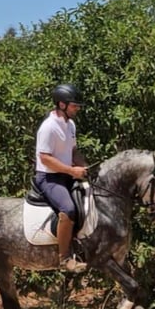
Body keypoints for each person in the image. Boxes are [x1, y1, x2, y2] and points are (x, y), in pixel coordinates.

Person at [34, 83, 89, 272]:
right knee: (69, 209)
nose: (77, 109)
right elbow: (45, 158)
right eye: (74, 105)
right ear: (62, 105)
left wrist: (82, 165)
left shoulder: (70, 124)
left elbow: (73, 151)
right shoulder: (48, 127)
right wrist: (72, 171)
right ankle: (64, 258)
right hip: (49, 178)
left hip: (66, 175)